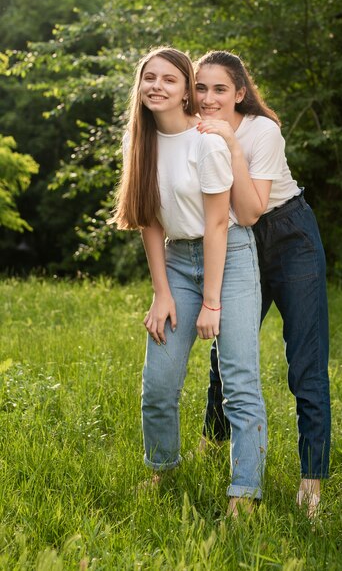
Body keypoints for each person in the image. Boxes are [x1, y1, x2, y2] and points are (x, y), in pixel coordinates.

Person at [110, 47, 267, 517]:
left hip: (230, 259)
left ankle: (245, 492)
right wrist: (162, 293)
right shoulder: (139, 144)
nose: (156, 85)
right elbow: (149, 222)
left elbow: (220, 224)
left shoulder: (207, 143)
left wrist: (212, 303)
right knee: (158, 382)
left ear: (185, 93)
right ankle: (162, 469)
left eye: (169, 80)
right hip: (175, 264)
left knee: (238, 381)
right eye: (148, 78)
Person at [195, 50, 331, 518]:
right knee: (225, 351)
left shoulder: (262, 130)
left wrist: (231, 144)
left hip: (289, 236)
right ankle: (213, 444)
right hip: (238, 244)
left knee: (306, 362)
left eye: (219, 89)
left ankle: (311, 481)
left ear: (240, 92)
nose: (209, 98)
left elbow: (252, 209)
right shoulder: (191, 127)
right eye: (201, 88)